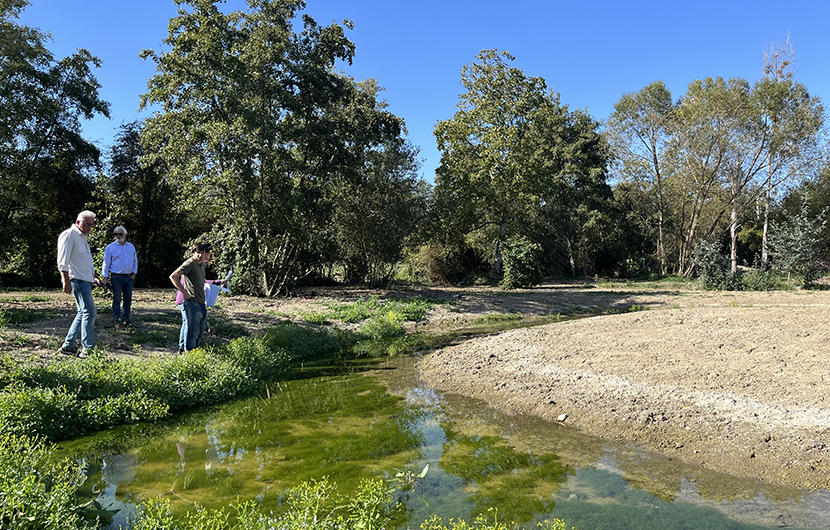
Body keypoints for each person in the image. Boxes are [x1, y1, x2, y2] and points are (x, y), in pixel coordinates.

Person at [57, 210, 102, 358]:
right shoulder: (70, 235)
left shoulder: (82, 237)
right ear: (78, 222)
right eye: (87, 224)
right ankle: (88, 349)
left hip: (85, 279)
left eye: (92, 225)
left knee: (83, 312)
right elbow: (63, 260)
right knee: (90, 311)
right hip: (77, 280)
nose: (90, 228)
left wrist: (94, 276)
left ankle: (69, 345)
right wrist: (66, 280)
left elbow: (84, 261)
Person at [169, 243, 227, 352]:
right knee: (192, 331)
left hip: (200, 301)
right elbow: (173, 276)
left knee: (197, 330)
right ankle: (190, 355)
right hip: (191, 301)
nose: (200, 255)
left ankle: (184, 351)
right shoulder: (190, 263)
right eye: (198, 253)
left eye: (203, 253)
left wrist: (217, 282)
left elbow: (201, 281)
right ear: (194, 253)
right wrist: (184, 292)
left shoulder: (201, 264)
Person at [101, 226, 138, 327]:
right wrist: (105, 277)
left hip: (129, 277)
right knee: (117, 299)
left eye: (120, 234)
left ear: (125, 235)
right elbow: (106, 263)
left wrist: (134, 273)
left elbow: (135, 260)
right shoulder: (110, 247)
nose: (118, 236)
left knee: (128, 298)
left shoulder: (131, 246)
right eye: (116, 234)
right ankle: (117, 320)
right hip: (116, 276)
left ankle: (126, 319)